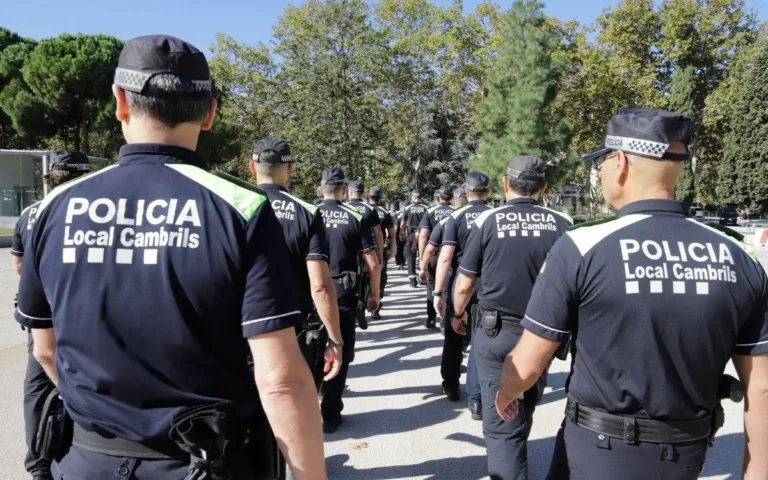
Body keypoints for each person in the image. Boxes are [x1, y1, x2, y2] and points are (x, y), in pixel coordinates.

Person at [14, 35, 326, 479]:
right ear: (210, 112)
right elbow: (281, 380)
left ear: (120, 101)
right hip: (206, 463)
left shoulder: (54, 207)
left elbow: (45, 351)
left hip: (87, 460)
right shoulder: (244, 209)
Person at [496, 108, 768, 480]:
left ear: (619, 162)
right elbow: (761, 384)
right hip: (686, 451)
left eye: (603, 162)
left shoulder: (582, 245)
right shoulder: (740, 254)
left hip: (595, 451)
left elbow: (527, 365)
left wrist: (506, 392)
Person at [453, 156, 572, 480]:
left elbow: (464, 284)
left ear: (506, 184)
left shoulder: (488, 222)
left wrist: (457, 313)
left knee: (502, 424)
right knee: (525, 397)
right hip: (543, 333)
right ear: (543, 187)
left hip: (495, 333)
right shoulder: (562, 223)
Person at [11, 151, 91, 480]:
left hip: (41, 312)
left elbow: (19, 266)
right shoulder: (92, 210)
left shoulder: (31, 213)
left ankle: (38, 462)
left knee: (38, 384)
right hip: (82, 313)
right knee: (86, 379)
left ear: (51, 175)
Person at [249, 136, 343, 389]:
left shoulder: (231, 206)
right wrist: (335, 340)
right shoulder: (309, 212)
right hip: (294, 330)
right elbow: (320, 285)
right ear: (290, 169)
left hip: (243, 332)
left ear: (251, 167)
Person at [317, 167, 381, 433]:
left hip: (310, 290)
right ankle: (330, 414)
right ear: (344, 191)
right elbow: (373, 262)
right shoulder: (355, 216)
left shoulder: (309, 213)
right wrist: (375, 293)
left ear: (321, 190)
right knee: (339, 349)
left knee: (310, 348)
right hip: (342, 294)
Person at [433, 172, 491, 416]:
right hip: (488, 286)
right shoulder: (494, 216)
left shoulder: (456, 217)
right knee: (481, 340)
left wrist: (437, 292)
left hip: (460, 284)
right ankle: (477, 397)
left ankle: (451, 384)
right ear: (488, 193)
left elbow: (446, 256)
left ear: (466, 193)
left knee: (453, 336)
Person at [346, 180, 384, 326]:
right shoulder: (369, 209)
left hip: (348, 250)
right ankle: (361, 306)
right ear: (362, 193)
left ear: (349, 192)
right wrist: (379, 253)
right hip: (367, 249)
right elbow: (378, 232)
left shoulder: (344, 207)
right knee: (366, 276)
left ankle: (354, 308)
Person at [417, 186, 454, 328]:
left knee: (431, 285)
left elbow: (423, 235)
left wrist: (422, 260)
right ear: (452, 198)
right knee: (449, 286)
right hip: (451, 255)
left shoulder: (431, 212)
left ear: (438, 198)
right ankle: (445, 319)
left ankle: (431, 318)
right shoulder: (456, 213)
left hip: (434, 253)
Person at [369, 186, 397, 319]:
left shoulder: (364, 209)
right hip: (380, 249)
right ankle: (376, 308)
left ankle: (361, 305)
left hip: (363, 249)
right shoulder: (385, 212)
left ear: (369, 196)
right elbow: (391, 233)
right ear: (380, 197)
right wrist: (393, 247)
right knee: (380, 278)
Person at [400, 192, 428, 287]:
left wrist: (401, 232)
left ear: (413, 197)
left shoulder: (408, 208)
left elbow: (403, 223)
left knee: (410, 257)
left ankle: (412, 281)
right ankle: (422, 278)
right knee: (423, 256)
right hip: (423, 234)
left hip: (411, 234)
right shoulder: (425, 208)